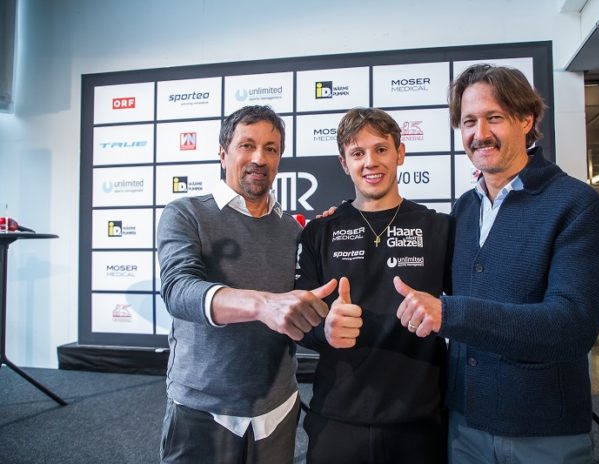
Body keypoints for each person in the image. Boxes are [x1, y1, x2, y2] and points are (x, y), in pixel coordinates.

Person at [394, 64, 599, 463]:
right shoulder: (463, 209)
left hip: (544, 430)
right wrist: (341, 221)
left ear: (526, 120)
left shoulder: (577, 205)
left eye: (494, 117)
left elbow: (572, 328)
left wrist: (450, 313)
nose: (480, 133)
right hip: (465, 424)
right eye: (469, 122)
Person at [157, 105, 337, 464]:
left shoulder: (293, 230)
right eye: (247, 145)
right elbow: (178, 290)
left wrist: (331, 231)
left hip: (277, 408)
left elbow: (303, 309)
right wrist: (262, 304)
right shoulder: (186, 213)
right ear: (223, 153)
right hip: (203, 409)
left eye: (271, 148)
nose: (259, 158)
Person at [295, 108, 452, 463]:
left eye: (381, 149)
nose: (370, 162)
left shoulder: (439, 228)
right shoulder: (319, 232)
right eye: (357, 153)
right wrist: (325, 330)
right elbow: (300, 320)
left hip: (419, 422)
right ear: (344, 163)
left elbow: (467, 310)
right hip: (337, 420)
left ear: (400, 153)